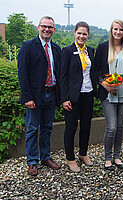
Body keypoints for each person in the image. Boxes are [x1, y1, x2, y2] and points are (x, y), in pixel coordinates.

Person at [18, 16, 61, 176]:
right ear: (38, 27)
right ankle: (32, 161)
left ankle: (45, 157)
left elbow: (58, 73)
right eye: (44, 26)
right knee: (32, 128)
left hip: (51, 95)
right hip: (35, 97)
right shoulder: (28, 46)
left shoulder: (56, 48)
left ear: (54, 30)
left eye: (50, 27)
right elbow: (23, 74)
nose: (47, 29)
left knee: (47, 128)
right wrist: (27, 97)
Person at [95, 19, 123, 171]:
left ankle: (117, 157)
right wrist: (104, 84)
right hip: (108, 94)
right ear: (111, 31)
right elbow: (96, 71)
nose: (118, 32)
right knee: (111, 127)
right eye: (115, 29)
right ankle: (107, 158)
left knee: (120, 126)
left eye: (121, 30)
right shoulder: (103, 47)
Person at [60, 21, 98, 172]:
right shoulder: (67, 51)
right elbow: (62, 76)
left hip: (88, 94)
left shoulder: (90, 51)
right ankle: (70, 158)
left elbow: (93, 72)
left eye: (85, 34)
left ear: (88, 35)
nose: (82, 36)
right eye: (79, 33)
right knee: (71, 127)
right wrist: (64, 98)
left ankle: (83, 153)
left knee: (86, 126)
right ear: (74, 33)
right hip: (72, 97)